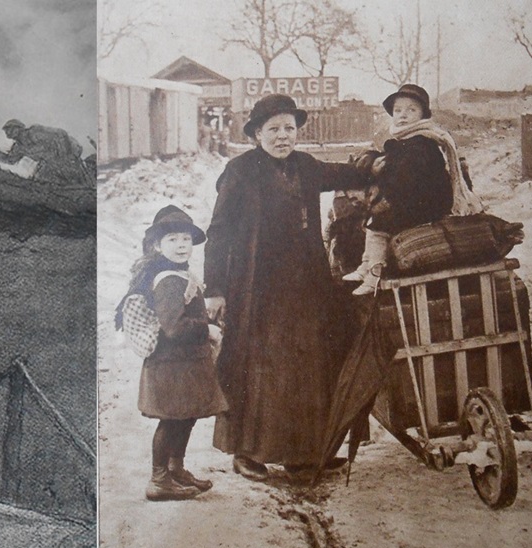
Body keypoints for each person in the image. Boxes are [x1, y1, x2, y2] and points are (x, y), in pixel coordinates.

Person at [205, 94, 372, 482]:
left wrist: (379, 163)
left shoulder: (305, 166)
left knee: (307, 368)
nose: (283, 137)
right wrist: (215, 288)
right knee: (259, 370)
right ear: (257, 134)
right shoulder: (240, 171)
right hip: (256, 288)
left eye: (290, 129)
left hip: (305, 285)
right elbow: (218, 233)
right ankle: (248, 453)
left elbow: (345, 174)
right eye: (274, 129)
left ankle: (304, 453)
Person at [120, 206, 229, 501]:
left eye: (185, 239)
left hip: (184, 365)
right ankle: (159, 480)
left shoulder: (180, 273)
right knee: (171, 420)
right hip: (170, 366)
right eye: (172, 240)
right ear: (158, 245)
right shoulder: (168, 279)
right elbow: (173, 328)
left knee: (185, 417)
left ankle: (175, 469)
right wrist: (205, 329)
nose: (181, 245)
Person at [341, 83, 484, 294]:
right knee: (374, 219)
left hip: (428, 204)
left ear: (423, 115)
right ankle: (365, 265)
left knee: (379, 225)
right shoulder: (406, 139)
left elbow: (403, 178)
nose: (403, 115)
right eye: (398, 110)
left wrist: (384, 196)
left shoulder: (422, 142)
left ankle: (373, 277)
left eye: (411, 110)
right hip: (416, 199)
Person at [0, 119, 91, 186]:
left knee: (82, 183)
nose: (7, 132)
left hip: (68, 156)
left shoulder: (34, 132)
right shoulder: (18, 147)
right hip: (48, 164)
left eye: (10, 129)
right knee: (40, 183)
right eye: (6, 130)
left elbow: (61, 134)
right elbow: (10, 160)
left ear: (19, 128)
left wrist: (65, 156)